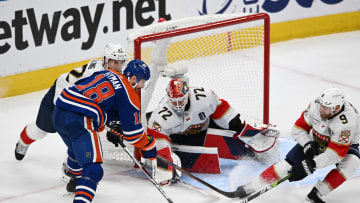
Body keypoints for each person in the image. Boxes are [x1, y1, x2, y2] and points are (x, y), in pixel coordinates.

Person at [53, 59, 157, 203]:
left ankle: (75, 180)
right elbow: (134, 135)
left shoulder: (107, 73)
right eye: (142, 81)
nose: (142, 85)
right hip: (79, 118)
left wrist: (112, 124)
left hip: (59, 111)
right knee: (93, 169)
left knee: (76, 150)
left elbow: (84, 90)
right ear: (133, 78)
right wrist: (149, 146)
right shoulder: (129, 94)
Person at [236, 87, 360, 203]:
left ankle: (317, 194)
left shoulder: (346, 123)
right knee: (287, 165)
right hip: (317, 139)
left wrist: (312, 164)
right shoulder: (316, 106)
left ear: (336, 108)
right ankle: (251, 186)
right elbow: (298, 129)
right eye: (321, 105)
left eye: (326, 108)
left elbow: (335, 154)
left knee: (351, 164)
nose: (321, 109)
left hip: (346, 146)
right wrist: (307, 144)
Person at [146, 77, 279, 185]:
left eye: (180, 100)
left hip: (205, 127)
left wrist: (241, 127)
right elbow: (158, 140)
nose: (178, 105)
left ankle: (257, 152)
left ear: (187, 94)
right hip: (182, 140)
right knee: (201, 158)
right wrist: (165, 164)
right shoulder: (160, 117)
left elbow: (222, 111)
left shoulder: (204, 96)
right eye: (174, 101)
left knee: (231, 133)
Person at [15, 43, 127, 161]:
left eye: (121, 62)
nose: (119, 67)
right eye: (115, 63)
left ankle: (71, 166)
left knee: (79, 136)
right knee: (41, 130)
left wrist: (114, 122)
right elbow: (69, 88)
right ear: (105, 61)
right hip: (61, 94)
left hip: (80, 100)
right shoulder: (94, 73)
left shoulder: (119, 73)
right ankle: (22, 142)